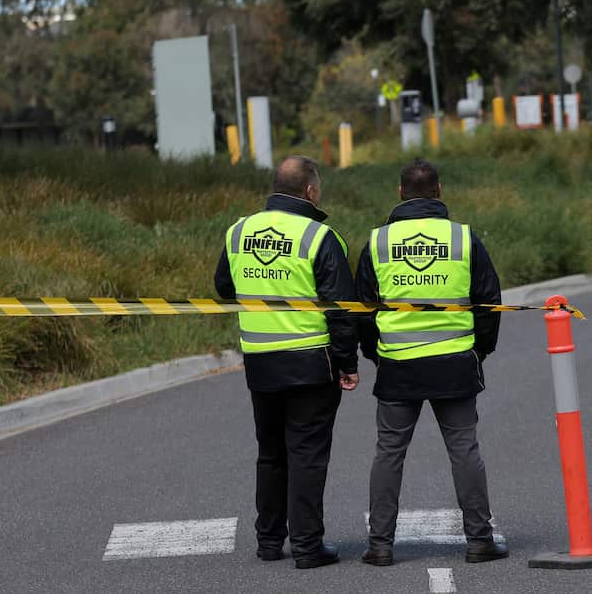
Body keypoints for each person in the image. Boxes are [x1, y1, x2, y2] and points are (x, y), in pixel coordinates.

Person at [356, 158, 508, 567]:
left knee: (388, 452)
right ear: (439, 192)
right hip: (455, 362)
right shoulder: (463, 239)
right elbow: (489, 302)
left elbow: (362, 310)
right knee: (464, 451)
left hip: (398, 366)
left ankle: (380, 545)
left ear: (400, 192)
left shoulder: (378, 242)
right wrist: (480, 352)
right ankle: (479, 540)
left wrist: (375, 354)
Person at [214, 156, 359, 569]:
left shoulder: (239, 230)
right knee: (307, 454)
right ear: (310, 191)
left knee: (271, 453)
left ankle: (269, 541)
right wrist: (347, 362)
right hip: (312, 362)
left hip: (261, 361)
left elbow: (223, 286)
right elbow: (341, 309)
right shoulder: (320, 236)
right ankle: (309, 547)